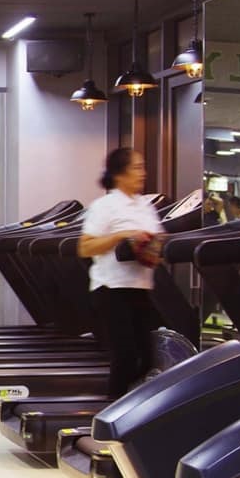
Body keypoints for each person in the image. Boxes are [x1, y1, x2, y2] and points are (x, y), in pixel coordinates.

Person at [76, 147, 168, 397]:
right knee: (125, 356)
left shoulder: (146, 205)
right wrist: (120, 236)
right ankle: (111, 409)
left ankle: (124, 403)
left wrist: (151, 249)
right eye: (137, 168)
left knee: (147, 359)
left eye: (143, 167)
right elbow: (84, 247)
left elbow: (156, 243)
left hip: (140, 288)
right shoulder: (105, 206)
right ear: (119, 174)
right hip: (111, 289)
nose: (143, 173)